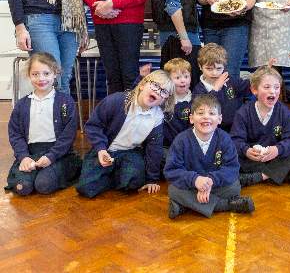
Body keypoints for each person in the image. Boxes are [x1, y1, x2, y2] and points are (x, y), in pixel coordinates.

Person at [76, 70, 175, 198]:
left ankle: (116, 173)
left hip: (129, 152)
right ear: (143, 84)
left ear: (164, 100)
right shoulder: (117, 100)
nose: (158, 91)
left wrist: (152, 179)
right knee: (86, 188)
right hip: (105, 150)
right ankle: (109, 173)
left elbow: (154, 148)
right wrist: (101, 149)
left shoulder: (157, 117)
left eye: (164, 91)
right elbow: (93, 125)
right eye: (155, 85)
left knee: (134, 182)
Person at [165, 94, 255, 219]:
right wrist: (195, 180)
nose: (206, 117)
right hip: (192, 186)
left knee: (234, 187)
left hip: (216, 185)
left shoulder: (225, 139)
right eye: (200, 113)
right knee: (173, 190)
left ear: (219, 119)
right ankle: (227, 205)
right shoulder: (181, 140)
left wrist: (210, 181)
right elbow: (171, 170)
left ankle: (185, 206)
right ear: (191, 118)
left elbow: (232, 168)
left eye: (212, 113)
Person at [5, 53, 81, 195]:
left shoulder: (65, 102)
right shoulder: (21, 105)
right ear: (29, 75)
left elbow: (68, 136)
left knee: (43, 185)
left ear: (55, 73)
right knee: (22, 188)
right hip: (30, 153)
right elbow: (15, 134)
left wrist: (51, 156)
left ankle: (56, 172)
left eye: (46, 73)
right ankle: (30, 174)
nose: (41, 79)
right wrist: (24, 157)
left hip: (58, 154)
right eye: (35, 74)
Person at [231, 65, 290, 187]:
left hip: (275, 156)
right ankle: (283, 173)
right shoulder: (243, 113)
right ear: (254, 90)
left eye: (276, 87)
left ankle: (261, 177)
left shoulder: (284, 113)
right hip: (253, 158)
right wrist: (247, 150)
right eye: (267, 87)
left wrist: (277, 149)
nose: (272, 91)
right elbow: (235, 139)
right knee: (233, 158)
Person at [192, 43, 251, 132]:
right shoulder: (198, 90)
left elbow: (250, 87)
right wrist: (216, 89)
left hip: (235, 128)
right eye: (209, 69)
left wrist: (263, 74)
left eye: (219, 68)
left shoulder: (231, 81)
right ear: (200, 67)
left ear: (224, 67)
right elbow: (206, 109)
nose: (214, 73)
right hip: (212, 131)